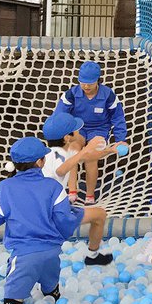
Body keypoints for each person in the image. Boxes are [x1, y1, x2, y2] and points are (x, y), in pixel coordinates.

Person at [0, 137, 84, 304]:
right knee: (53, 298)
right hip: (52, 255)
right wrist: (78, 215)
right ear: (40, 161)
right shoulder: (53, 187)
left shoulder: (5, 187)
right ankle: (51, 295)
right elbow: (64, 221)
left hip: (24, 257)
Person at [40, 112, 118, 265]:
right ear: (67, 138)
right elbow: (60, 170)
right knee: (99, 216)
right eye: (75, 131)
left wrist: (110, 150)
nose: (79, 133)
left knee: (99, 215)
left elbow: (86, 157)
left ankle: (93, 256)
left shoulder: (53, 153)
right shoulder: (56, 156)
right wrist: (84, 150)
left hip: (49, 209)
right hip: (52, 214)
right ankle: (91, 255)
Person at [55, 61, 128, 206]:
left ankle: (89, 195)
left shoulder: (108, 95)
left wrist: (121, 139)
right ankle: (72, 192)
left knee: (92, 156)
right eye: (82, 83)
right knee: (73, 150)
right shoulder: (71, 94)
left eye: (90, 83)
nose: (86, 86)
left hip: (100, 129)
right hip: (78, 127)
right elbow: (59, 114)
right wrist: (60, 133)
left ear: (97, 81)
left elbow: (118, 117)